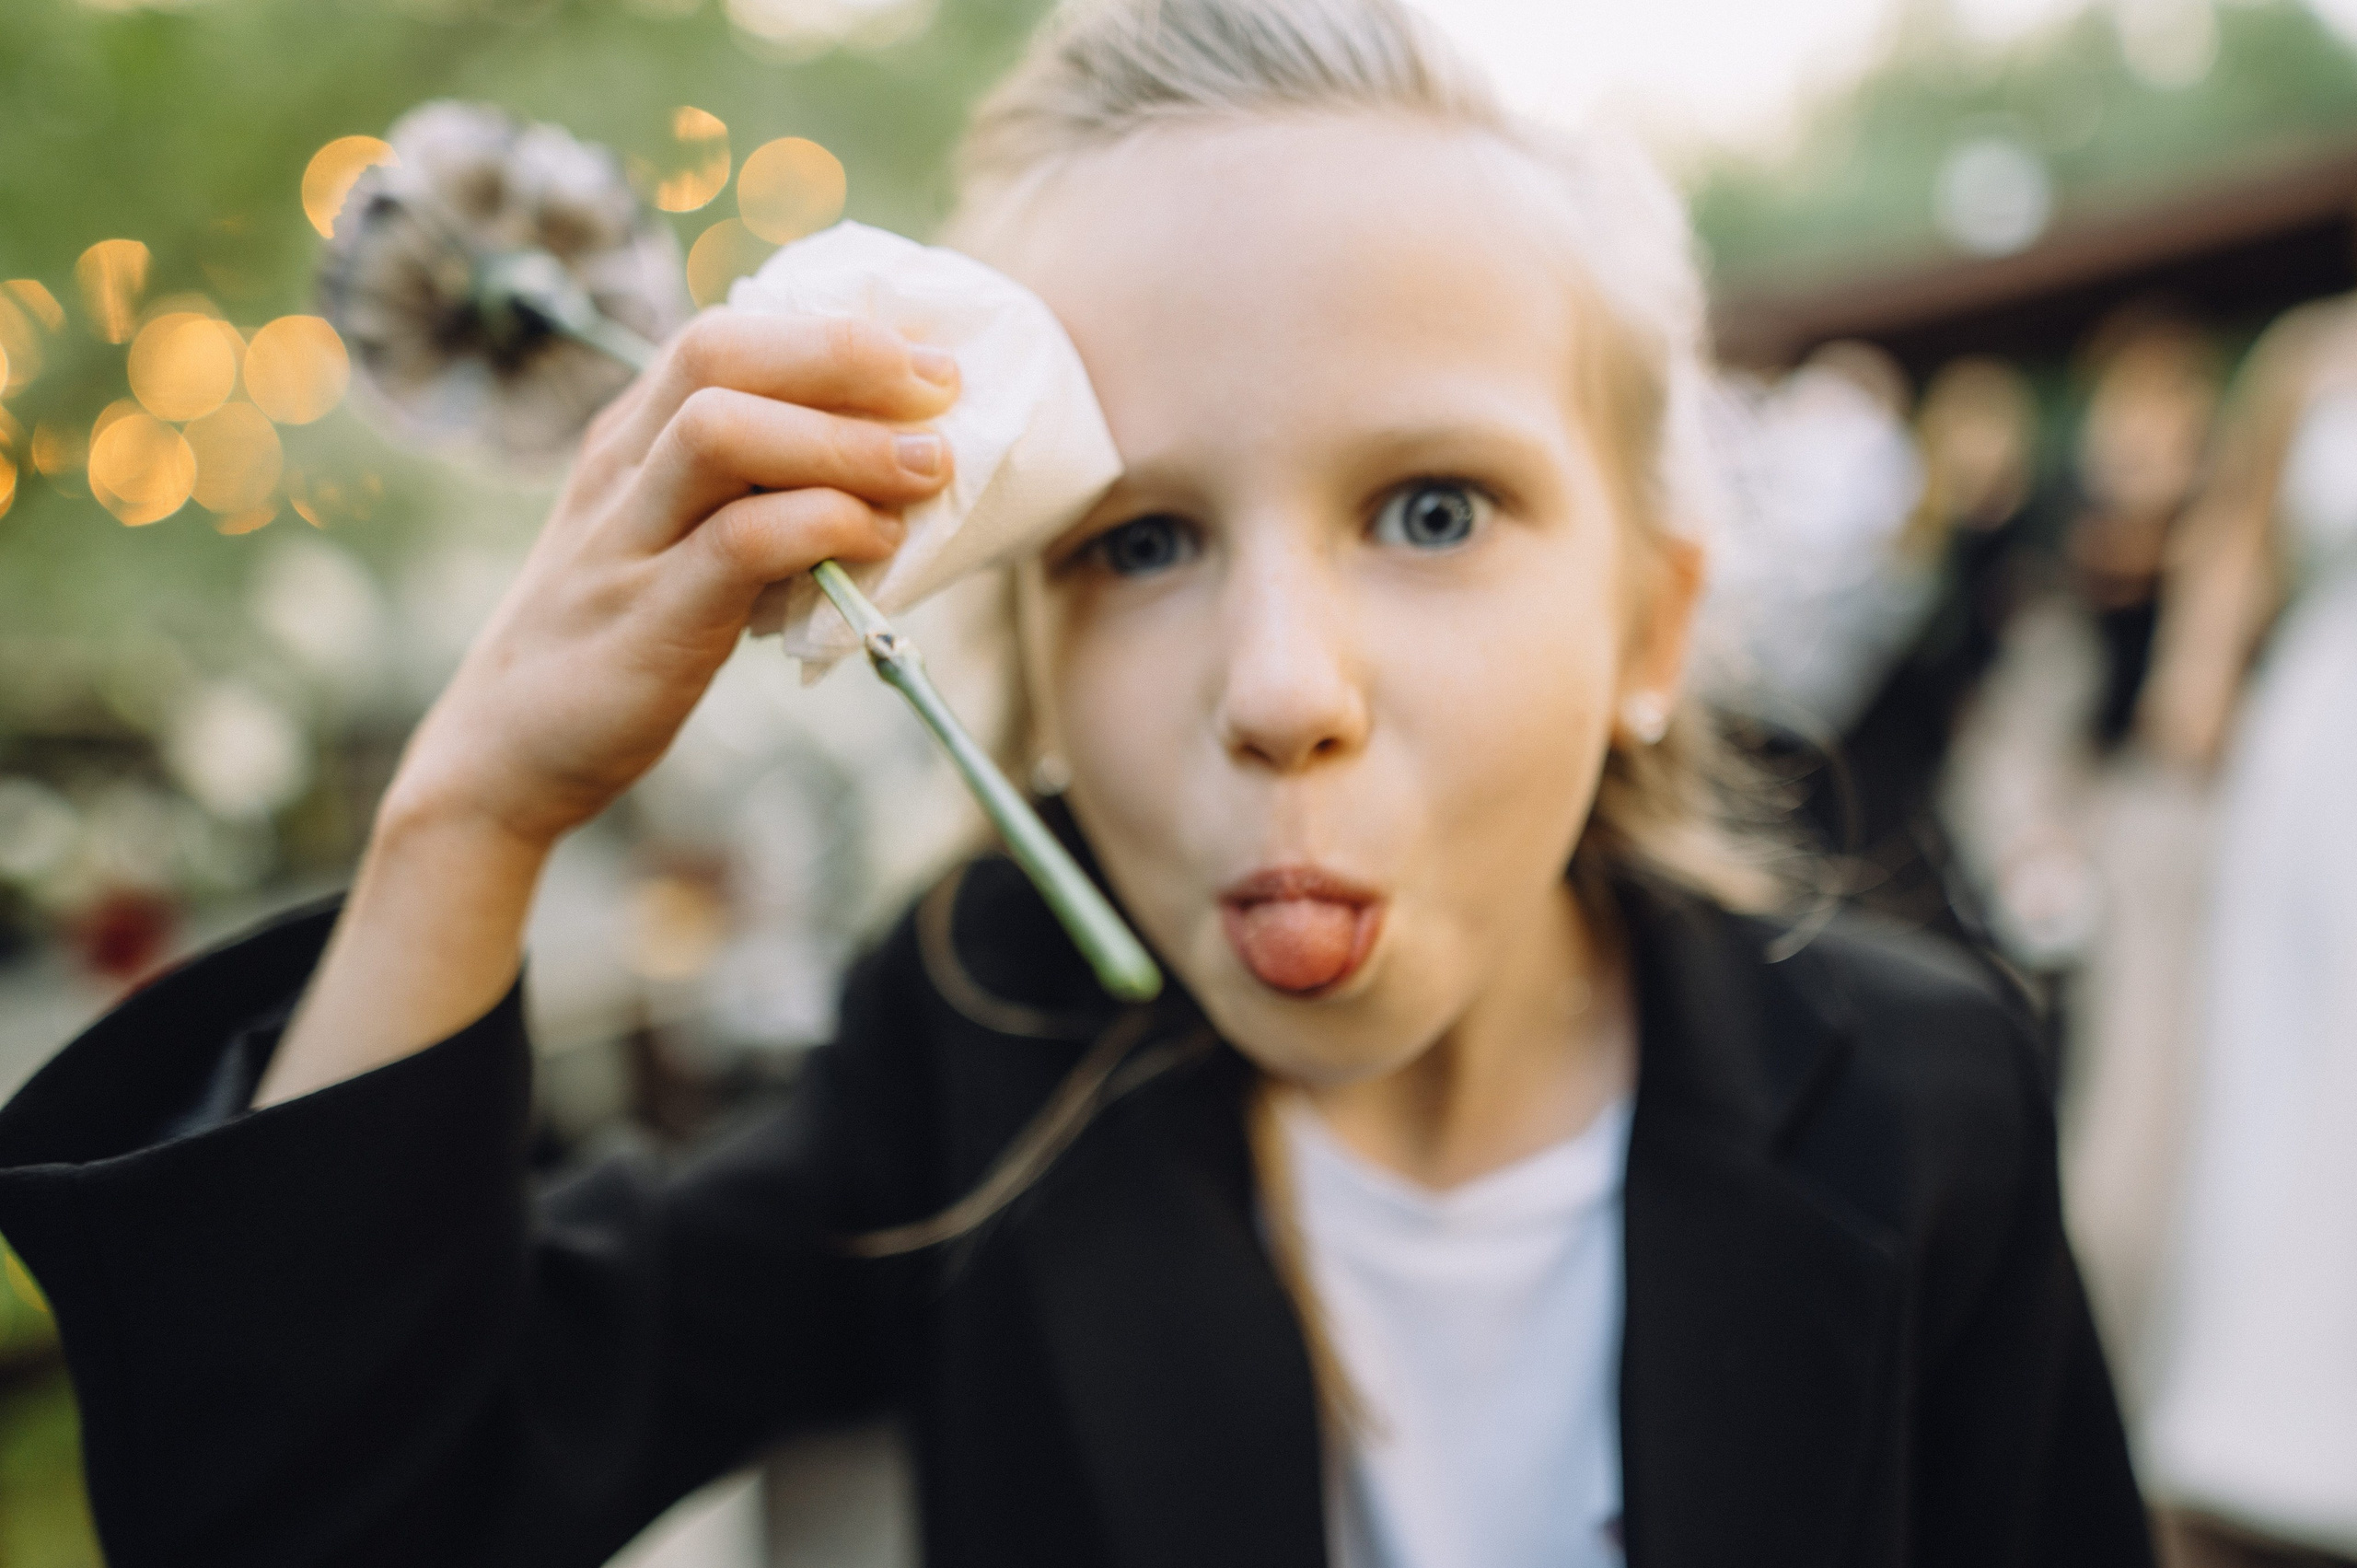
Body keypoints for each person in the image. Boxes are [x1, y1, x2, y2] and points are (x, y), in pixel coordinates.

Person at [0, 3, 2152, 1565]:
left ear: (1653, 625)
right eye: (1135, 542)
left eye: (1425, 510)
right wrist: (470, 814)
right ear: (1018, 662)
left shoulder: (1916, 1092)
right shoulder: (970, 1052)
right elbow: (328, 1518)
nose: (1281, 693)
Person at [2135, 295, 2357, 1567]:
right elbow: (2242, 535)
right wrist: (2198, 673)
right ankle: (2275, 1411)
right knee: (2298, 1067)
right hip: (2326, 748)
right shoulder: (2311, 353)